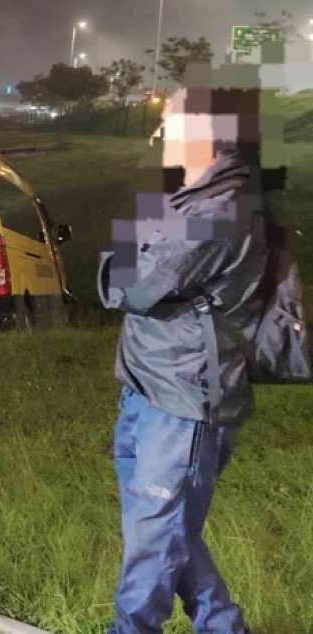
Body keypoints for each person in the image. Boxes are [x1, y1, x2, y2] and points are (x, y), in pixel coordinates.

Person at [98, 82, 269, 633]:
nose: (156, 133)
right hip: (146, 387)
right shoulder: (185, 196)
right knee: (164, 530)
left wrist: (124, 256)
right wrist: (125, 256)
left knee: (154, 540)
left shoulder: (221, 209)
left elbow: (136, 282)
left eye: (168, 121)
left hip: (184, 401)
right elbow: (123, 262)